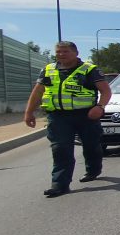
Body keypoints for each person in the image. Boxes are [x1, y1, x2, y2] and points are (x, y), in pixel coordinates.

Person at [23, 41, 112, 197]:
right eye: (58, 52)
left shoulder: (89, 70)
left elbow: (105, 91)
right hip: (58, 117)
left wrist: (100, 107)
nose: (61, 55)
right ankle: (59, 184)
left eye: (65, 52)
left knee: (91, 145)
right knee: (60, 149)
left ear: (76, 53)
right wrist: (29, 112)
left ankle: (93, 170)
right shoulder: (48, 70)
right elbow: (37, 92)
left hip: (86, 115)